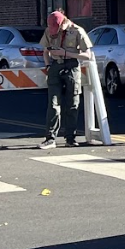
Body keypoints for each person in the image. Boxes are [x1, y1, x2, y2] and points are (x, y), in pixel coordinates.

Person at [39, 10, 93, 147]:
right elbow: (45, 51)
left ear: (64, 22)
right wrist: (48, 65)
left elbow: (88, 55)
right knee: (53, 104)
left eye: (57, 28)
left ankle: (70, 138)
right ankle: (50, 138)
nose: (55, 31)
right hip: (56, 66)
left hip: (72, 66)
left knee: (72, 104)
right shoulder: (49, 31)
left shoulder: (77, 31)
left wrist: (66, 53)